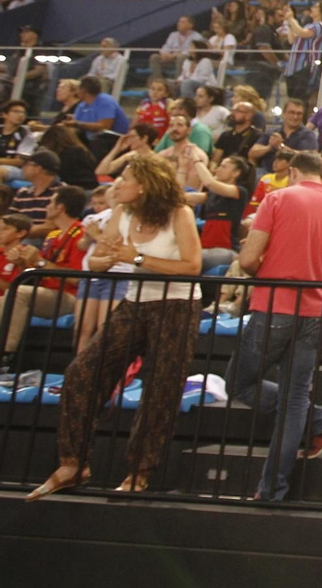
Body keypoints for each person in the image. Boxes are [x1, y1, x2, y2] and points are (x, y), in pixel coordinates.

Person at [28, 156, 202, 499]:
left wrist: (134, 258)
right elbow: (97, 259)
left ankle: (139, 472)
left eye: (125, 178)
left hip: (177, 305)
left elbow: (192, 265)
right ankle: (74, 463)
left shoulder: (179, 213)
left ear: (145, 186)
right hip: (135, 301)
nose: (117, 184)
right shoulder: (122, 213)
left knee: (161, 389)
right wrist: (106, 259)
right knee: (82, 372)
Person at [228, 151, 322, 500]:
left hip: (275, 305)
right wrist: (315, 275)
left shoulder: (277, 199)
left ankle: (318, 420)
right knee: (295, 398)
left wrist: (274, 269)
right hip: (318, 312)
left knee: (238, 383)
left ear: (292, 172)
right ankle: (273, 486)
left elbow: (247, 260)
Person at [0, 186, 88, 367]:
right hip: (45, 293)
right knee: (6, 298)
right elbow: (36, 275)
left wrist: (40, 261)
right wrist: (22, 263)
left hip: (70, 296)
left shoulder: (80, 234)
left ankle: (5, 356)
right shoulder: (52, 235)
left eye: (51, 202)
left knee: (19, 293)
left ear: (60, 208)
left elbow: (78, 278)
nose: (47, 206)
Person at [147, 15, 201, 82]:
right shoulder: (173, 35)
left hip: (186, 59)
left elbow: (191, 52)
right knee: (154, 57)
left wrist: (174, 56)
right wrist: (165, 54)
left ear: (190, 25)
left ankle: (177, 81)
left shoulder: (197, 37)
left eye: (182, 22)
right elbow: (166, 46)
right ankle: (158, 80)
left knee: (181, 57)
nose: (178, 24)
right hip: (170, 58)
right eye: (179, 22)